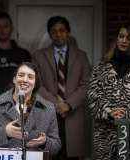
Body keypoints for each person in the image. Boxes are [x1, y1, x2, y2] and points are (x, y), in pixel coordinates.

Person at [32, 16, 90, 160]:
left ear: (68, 32)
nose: (58, 34)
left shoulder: (81, 56)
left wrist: (68, 105)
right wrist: (57, 105)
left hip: (73, 113)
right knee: (49, 154)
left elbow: (86, 85)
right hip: (47, 113)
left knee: (72, 155)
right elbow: (36, 84)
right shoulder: (38, 56)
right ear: (49, 34)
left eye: (62, 30)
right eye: (54, 32)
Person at [0, 62, 61, 157]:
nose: (25, 80)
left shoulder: (48, 108)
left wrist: (45, 141)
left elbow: (56, 146)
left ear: (35, 84)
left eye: (30, 77)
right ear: (14, 79)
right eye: (21, 75)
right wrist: (4, 132)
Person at [88, 22, 130, 159]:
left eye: (128, 38)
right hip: (105, 136)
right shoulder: (102, 65)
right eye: (121, 36)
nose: (123, 41)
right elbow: (93, 96)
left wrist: (127, 113)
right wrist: (110, 111)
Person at [0, 12, 31, 94]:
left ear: (12, 28)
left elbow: (29, 81)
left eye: (6, 26)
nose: (2, 30)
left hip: (17, 101)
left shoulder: (23, 54)